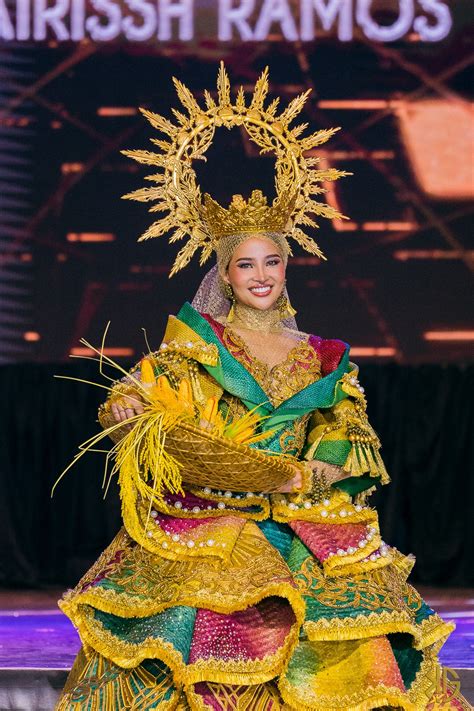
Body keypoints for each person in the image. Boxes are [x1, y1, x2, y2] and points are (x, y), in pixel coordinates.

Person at [55, 64, 466, 710]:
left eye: (271, 261)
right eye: (246, 264)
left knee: (348, 641)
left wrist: (312, 474)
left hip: (301, 522)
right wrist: (127, 401)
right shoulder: (197, 345)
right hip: (218, 518)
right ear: (226, 271)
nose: (261, 275)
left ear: (285, 264)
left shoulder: (321, 357)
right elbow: (141, 389)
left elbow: (347, 438)